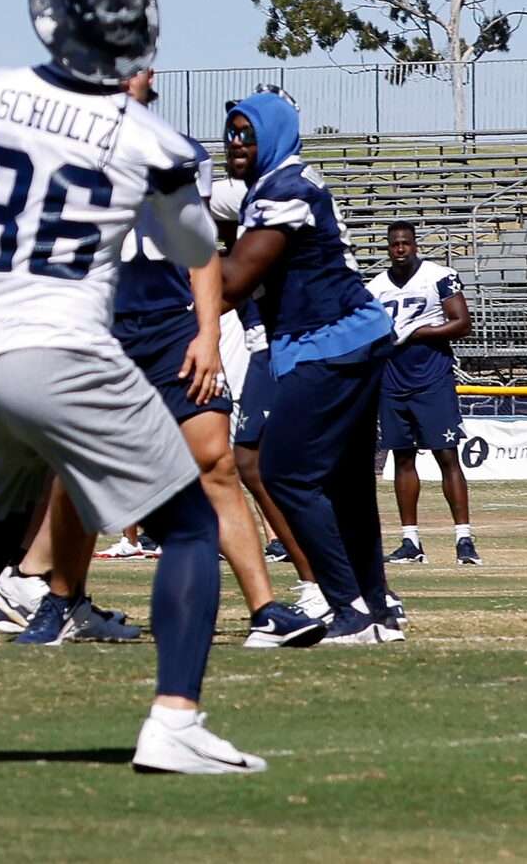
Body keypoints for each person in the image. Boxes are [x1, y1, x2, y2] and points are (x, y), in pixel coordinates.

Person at [0, 0, 265, 776]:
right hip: (65, 348)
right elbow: (193, 241)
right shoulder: (143, 133)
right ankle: (175, 720)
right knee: (188, 523)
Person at [103, 77, 321, 651]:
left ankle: (267, 609)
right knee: (74, 467)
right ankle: (48, 596)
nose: (142, 74)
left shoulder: (178, 151)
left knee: (218, 465)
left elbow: (199, 248)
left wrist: (204, 332)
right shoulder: (62, 144)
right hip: (99, 321)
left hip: (171, 323)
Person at [215, 87, 400, 641]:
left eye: (247, 133)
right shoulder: (279, 184)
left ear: (273, 133)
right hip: (342, 338)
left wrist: (167, 266)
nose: (236, 142)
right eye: (231, 133)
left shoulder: (286, 188)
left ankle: (348, 606)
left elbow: (234, 280)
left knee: (284, 473)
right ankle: (377, 605)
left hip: (328, 339)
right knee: (346, 484)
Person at [367, 222, 477, 567]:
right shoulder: (375, 287)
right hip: (393, 379)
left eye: (406, 243)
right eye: (395, 244)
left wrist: (419, 332)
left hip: (431, 378)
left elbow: (462, 322)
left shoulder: (439, 276)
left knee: (447, 455)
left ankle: (464, 538)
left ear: (415, 245)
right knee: (402, 458)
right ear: (388, 247)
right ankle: (410, 540)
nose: (400, 249)